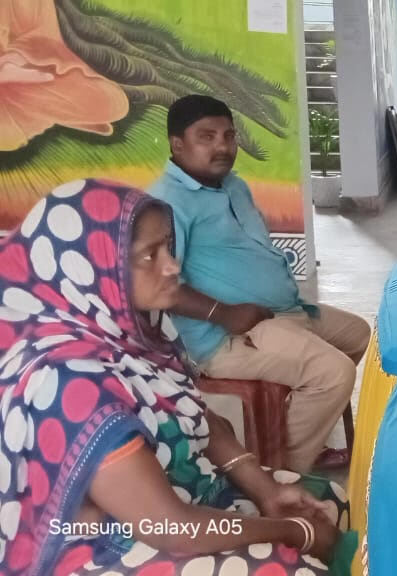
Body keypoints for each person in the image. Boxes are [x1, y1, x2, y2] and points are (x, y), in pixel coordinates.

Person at [0, 180, 350, 576]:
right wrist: (295, 532)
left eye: (168, 246)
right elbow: (171, 528)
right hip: (114, 545)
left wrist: (266, 490)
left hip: (183, 502)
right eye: (150, 255)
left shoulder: (137, 331)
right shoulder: (67, 381)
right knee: (296, 565)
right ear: (90, 266)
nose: (172, 266)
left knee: (329, 500)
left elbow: (195, 415)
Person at [149, 94, 369, 473]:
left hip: (279, 312)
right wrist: (224, 313)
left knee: (359, 334)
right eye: (207, 137)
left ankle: (301, 431)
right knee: (334, 374)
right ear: (177, 144)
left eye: (228, 135)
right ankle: (285, 475)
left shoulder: (233, 186)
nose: (222, 146)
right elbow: (159, 286)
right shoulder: (166, 203)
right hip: (223, 337)